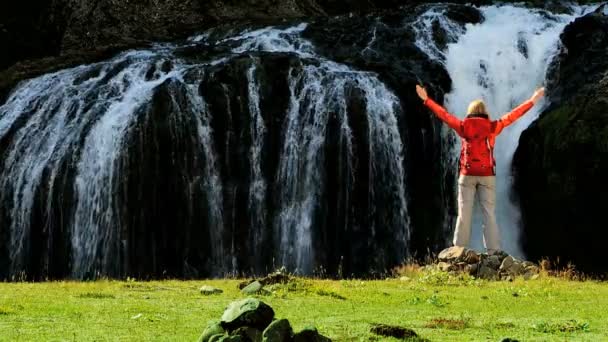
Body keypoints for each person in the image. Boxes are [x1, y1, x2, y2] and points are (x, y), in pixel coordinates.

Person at [415, 84, 545, 252]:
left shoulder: (463, 126)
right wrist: (532, 100)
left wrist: (427, 100)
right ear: (485, 113)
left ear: (470, 112)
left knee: (464, 213)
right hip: (487, 175)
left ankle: (458, 249)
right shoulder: (492, 127)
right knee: (489, 213)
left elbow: (445, 116)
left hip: (467, 175)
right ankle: (493, 250)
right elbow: (512, 116)